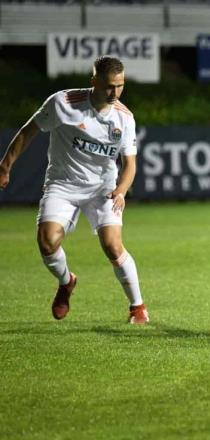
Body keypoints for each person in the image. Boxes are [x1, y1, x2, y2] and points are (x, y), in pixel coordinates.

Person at [0, 55, 148, 324]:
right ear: (94, 82)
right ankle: (66, 282)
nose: (114, 92)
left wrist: (122, 190)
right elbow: (27, 131)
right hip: (62, 184)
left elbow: (130, 165)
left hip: (102, 189)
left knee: (113, 246)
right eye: (108, 86)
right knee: (47, 241)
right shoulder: (62, 103)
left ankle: (137, 308)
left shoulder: (124, 118)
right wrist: (5, 166)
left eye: (120, 85)